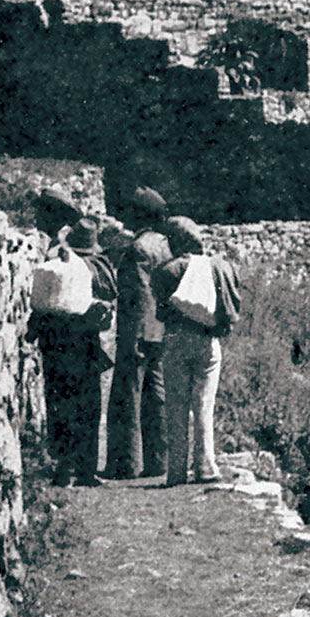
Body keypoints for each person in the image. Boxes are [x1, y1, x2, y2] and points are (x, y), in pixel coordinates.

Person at [150, 216, 242, 486]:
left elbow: (161, 309)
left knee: (176, 406)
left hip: (177, 339)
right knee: (204, 406)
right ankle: (205, 467)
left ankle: (176, 471)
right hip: (208, 341)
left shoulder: (168, 271)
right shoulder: (218, 267)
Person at [29, 215, 118, 487]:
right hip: (84, 342)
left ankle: (63, 468)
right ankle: (86, 470)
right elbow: (109, 295)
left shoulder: (54, 263)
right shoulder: (98, 267)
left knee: (59, 403)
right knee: (88, 405)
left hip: (55, 342)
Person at [102, 187, 172, 479]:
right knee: (156, 394)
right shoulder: (165, 245)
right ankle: (159, 460)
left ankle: (125, 462)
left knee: (127, 393)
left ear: (142, 215)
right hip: (161, 329)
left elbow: (139, 296)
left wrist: (130, 338)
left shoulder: (138, 249)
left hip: (139, 330)